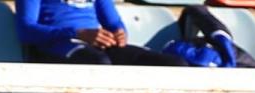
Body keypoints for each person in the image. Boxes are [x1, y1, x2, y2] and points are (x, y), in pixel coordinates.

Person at [15, 0, 187, 66]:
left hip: (97, 45)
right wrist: (77, 33)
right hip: (57, 47)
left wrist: (120, 32)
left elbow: (113, 22)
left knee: (175, 64)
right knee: (99, 63)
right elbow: (26, 30)